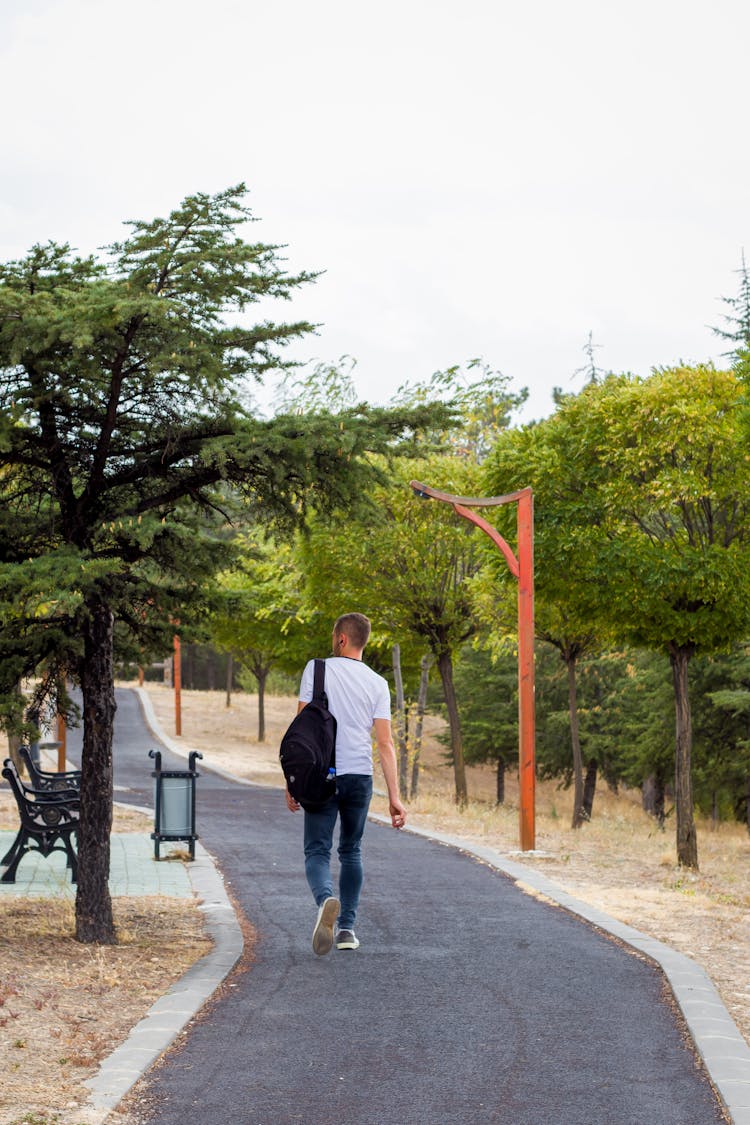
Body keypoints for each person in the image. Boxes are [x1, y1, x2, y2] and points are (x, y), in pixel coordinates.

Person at [285, 612, 407, 956]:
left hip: (321, 773)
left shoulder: (317, 669)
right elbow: (385, 744)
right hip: (360, 777)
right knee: (351, 850)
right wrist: (395, 797)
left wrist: (291, 781)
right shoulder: (378, 684)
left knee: (316, 850)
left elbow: (300, 733)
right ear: (363, 641)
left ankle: (326, 900)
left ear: (341, 638)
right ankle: (347, 930)